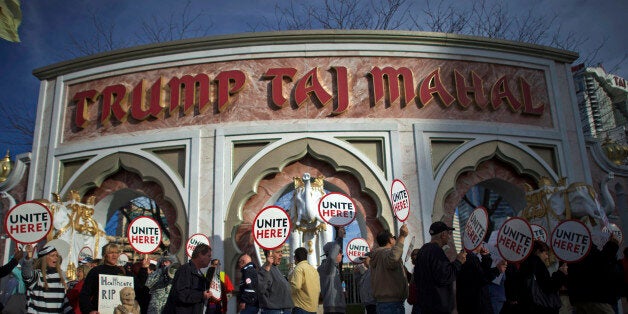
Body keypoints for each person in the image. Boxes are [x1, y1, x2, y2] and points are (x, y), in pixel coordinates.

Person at [414, 221, 467, 314]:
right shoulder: (436, 251)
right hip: (436, 307)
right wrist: (458, 261)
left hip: (425, 306)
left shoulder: (423, 250)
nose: (449, 236)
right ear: (443, 234)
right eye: (448, 233)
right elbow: (445, 276)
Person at [567, 236, 619, 313]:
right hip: (595, 298)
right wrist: (612, 244)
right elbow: (602, 261)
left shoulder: (571, 255)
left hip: (578, 299)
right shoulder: (588, 251)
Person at [21, 244, 72, 313]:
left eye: (57, 255)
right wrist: (29, 257)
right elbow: (26, 274)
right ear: (44, 259)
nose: (56, 258)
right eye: (52, 255)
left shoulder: (59, 277)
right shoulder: (38, 275)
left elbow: (63, 302)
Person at [79, 243, 130, 314]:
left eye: (116, 253)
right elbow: (85, 294)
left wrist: (144, 269)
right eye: (111, 253)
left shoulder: (123, 272)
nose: (114, 255)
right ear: (105, 255)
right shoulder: (96, 271)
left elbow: (138, 290)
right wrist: (89, 310)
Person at [455, 244, 506, 314]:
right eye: (481, 243)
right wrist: (497, 270)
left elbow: (482, 271)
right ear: (476, 244)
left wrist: (486, 257)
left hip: (472, 304)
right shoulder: (469, 258)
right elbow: (482, 278)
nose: (482, 245)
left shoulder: (469, 256)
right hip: (474, 306)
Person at [370, 224, 409, 314]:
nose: (395, 240)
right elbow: (393, 258)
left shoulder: (377, 256)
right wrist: (402, 236)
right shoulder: (385, 253)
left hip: (383, 303)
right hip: (391, 305)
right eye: (393, 238)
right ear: (390, 240)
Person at [163, 243, 212, 314]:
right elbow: (181, 295)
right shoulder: (185, 270)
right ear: (200, 255)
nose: (210, 259)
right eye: (209, 256)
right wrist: (202, 295)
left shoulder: (199, 274)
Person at [519, 240, 566, 314]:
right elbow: (548, 286)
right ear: (538, 251)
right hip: (541, 307)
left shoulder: (525, 263)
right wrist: (560, 273)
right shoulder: (537, 263)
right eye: (546, 253)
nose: (547, 257)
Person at [257, 246, 294, 313]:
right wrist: (267, 267)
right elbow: (261, 289)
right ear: (269, 254)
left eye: (281, 252)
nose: (281, 255)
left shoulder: (275, 268)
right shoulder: (265, 269)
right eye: (277, 252)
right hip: (275, 311)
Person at [289, 247, 320, 314]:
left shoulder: (298, 268)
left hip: (301, 307)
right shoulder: (313, 269)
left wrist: (288, 292)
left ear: (295, 257)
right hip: (313, 308)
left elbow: (296, 286)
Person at [318, 242, 346, 314]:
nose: (342, 255)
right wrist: (339, 239)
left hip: (335, 307)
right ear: (334, 253)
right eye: (340, 252)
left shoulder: (331, 268)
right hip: (334, 308)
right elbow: (331, 257)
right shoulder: (328, 268)